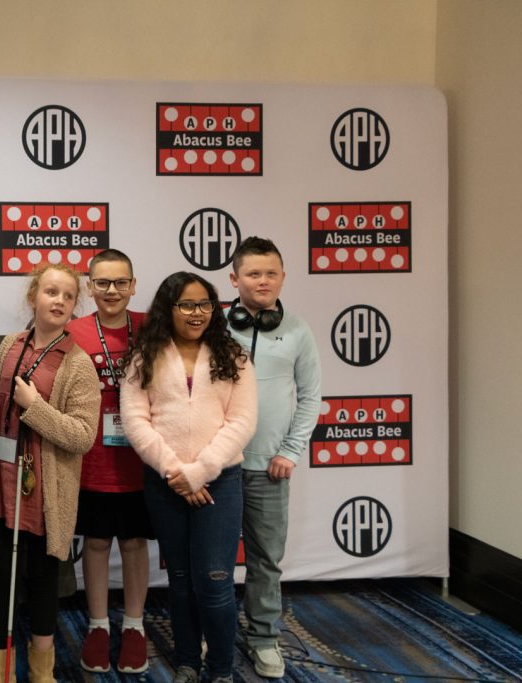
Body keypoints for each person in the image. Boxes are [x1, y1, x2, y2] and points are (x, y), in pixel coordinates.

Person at [120, 271, 257, 683]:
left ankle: (219, 670)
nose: (197, 313)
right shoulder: (144, 356)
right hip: (166, 483)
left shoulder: (234, 357)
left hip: (220, 481)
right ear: (169, 308)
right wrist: (176, 472)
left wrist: (200, 472)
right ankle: (186, 662)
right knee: (179, 580)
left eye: (205, 305)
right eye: (187, 305)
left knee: (214, 582)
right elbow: (135, 420)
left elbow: (243, 421)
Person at [0, 264, 101, 683]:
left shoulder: (79, 364)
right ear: (34, 297)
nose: (59, 301)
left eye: (68, 296)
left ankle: (42, 671)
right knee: (3, 581)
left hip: (46, 491)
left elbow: (82, 435)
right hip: (1, 478)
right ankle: (2, 670)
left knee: (45, 579)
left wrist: (35, 406)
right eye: (51, 292)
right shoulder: (12, 344)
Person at [226, 237, 322, 679]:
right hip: (219, 466)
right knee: (214, 559)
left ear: (283, 277)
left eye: (271, 273)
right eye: (253, 273)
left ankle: (264, 638)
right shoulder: (211, 328)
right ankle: (216, 631)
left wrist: (290, 450)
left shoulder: (299, 331)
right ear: (234, 279)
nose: (262, 281)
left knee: (266, 560)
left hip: (269, 468)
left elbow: (310, 397)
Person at [65, 249, 154, 674]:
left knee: (136, 542)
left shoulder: (152, 329)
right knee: (97, 542)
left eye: (121, 282)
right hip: (91, 458)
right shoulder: (72, 331)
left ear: (133, 286)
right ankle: (99, 625)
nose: (112, 290)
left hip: (142, 458)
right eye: (102, 283)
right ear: (90, 286)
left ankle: (134, 625)